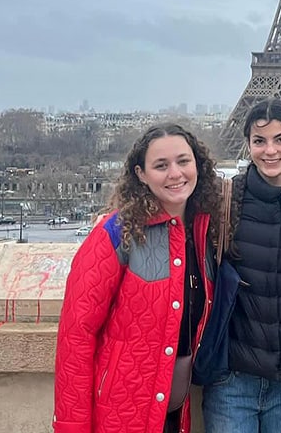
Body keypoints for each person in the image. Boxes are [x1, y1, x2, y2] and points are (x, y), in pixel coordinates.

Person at [53, 123, 222, 433]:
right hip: (121, 411)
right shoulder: (115, 234)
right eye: (161, 165)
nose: (175, 173)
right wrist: (71, 426)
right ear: (141, 174)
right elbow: (76, 335)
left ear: (197, 165)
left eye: (183, 161)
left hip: (175, 411)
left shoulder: (207, 232)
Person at [202, 98, 281, 433]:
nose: (270, 150)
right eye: (259, 141)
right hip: (233, 377)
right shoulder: (223, 200)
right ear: (248, 145)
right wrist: (119, 222)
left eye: (280, 139)